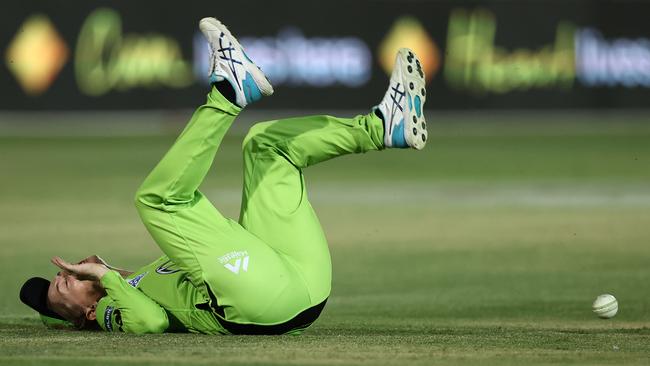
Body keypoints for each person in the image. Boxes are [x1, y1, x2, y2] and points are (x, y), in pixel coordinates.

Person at [19, 17, 428, 334]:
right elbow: (151, 324)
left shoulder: (140, 277)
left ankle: (382, 127)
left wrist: (116, 272)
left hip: (303, 285)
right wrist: (109, 279)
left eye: (60, 276)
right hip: (263, 306)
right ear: (86, 313)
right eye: (59, 288)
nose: (63, 274)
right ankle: (228, 93)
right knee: (157, 200)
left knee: (268, 146)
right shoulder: (108, 307)